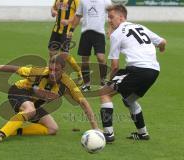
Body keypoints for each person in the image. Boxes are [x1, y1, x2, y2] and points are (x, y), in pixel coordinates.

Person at [0, 55, 99, 144]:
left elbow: (83, 102)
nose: (52, 73)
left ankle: (14, 130)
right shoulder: (38, 72)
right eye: (50, 69)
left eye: (56, 70)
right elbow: (14, 68)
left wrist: (95, 128)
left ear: (63, 70)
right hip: (18, 92)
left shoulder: (68, 84)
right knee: (30, 109)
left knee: (52, 128)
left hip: (35, 103)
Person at [99, 5, 167, 143]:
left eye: (111, 17)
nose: (109, 20)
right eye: (108, 18)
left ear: (122, 17)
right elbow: (162, 42)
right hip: (154, 71)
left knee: (104, 93)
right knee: (129, 99)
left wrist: (108, 81)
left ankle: (108, 135)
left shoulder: (116, 34)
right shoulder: (141, 27)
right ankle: (142, 133)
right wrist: (161, 49)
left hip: (138, 70)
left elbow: (115, 66)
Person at [67, 0, 112, 92]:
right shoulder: (83, 1)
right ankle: (86, 85)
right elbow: (78, 16)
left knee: (101, 58)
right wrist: (71, 30)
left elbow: (112, 15)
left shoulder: (106, 1)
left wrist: (110, 28)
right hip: (85, 33)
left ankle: (103, 82)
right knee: (85, 61)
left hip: (99, 34)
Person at [49, 0, 83, 85]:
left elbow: (78, 15)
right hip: (56, 30)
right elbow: (53, 8)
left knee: (64, 55)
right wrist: (53, 12)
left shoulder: (76, 1)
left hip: (66, 31)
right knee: (52, 53)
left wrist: (68, 22)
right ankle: (53, 75)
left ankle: (78, 71)